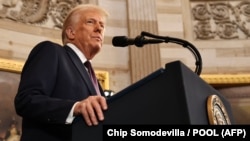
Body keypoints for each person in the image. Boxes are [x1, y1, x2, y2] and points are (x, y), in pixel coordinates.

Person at [14, 4, 109, 141]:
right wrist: (74, 108)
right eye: (90, 22)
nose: (99, 28)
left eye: (102, 25)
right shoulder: (52, 52)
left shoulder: (93, 79)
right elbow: (26, 100)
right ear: (71, 33)